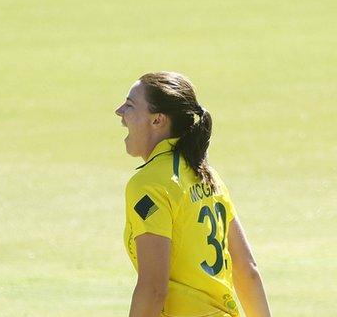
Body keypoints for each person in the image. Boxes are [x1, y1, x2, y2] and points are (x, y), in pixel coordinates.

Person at [115, 72, 271, 317]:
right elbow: (247, 270)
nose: (120, 111)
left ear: (158, 120)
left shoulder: (149, 185)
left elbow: (154, 288)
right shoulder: (208, 176)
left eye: (130, 105)